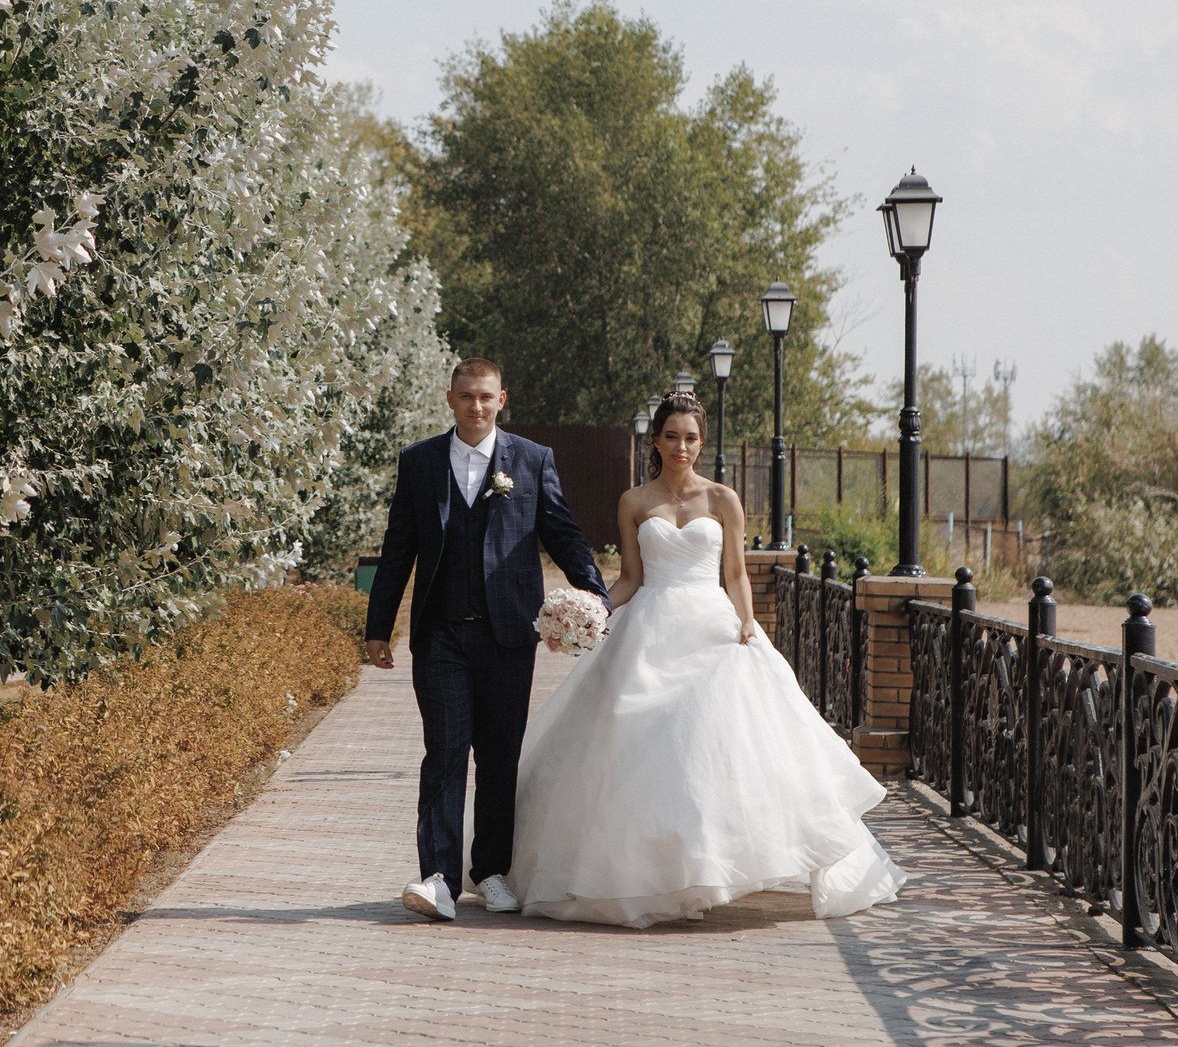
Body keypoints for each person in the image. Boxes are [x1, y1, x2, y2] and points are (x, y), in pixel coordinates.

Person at [505, 389, 904, 927]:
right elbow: (630, 578)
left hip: (710, 628)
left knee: (713, 747)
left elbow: (735, 574)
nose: (681, 446)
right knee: (641, 746)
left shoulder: (722, 499)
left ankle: (705, 868)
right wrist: (593, 610)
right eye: (672, 436)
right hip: (648, 630)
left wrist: (747, 621)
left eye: (691, 438)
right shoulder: (633, 501)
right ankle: (654, 874)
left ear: (702, 442)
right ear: (656, 440)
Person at [363, 358, 610, 923]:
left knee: (500, 757)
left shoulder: (532, 459)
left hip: (508, 634)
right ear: (451, 399)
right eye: (466, 396)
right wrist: (379, 626)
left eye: (486, 396)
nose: (476, 405)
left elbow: (561, 532)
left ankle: (491, 871)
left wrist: (596, 595)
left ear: (502, 400)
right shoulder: (420, 462)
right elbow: (399, 546)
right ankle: (438, 879)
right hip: (440, 634)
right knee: (445, 753)